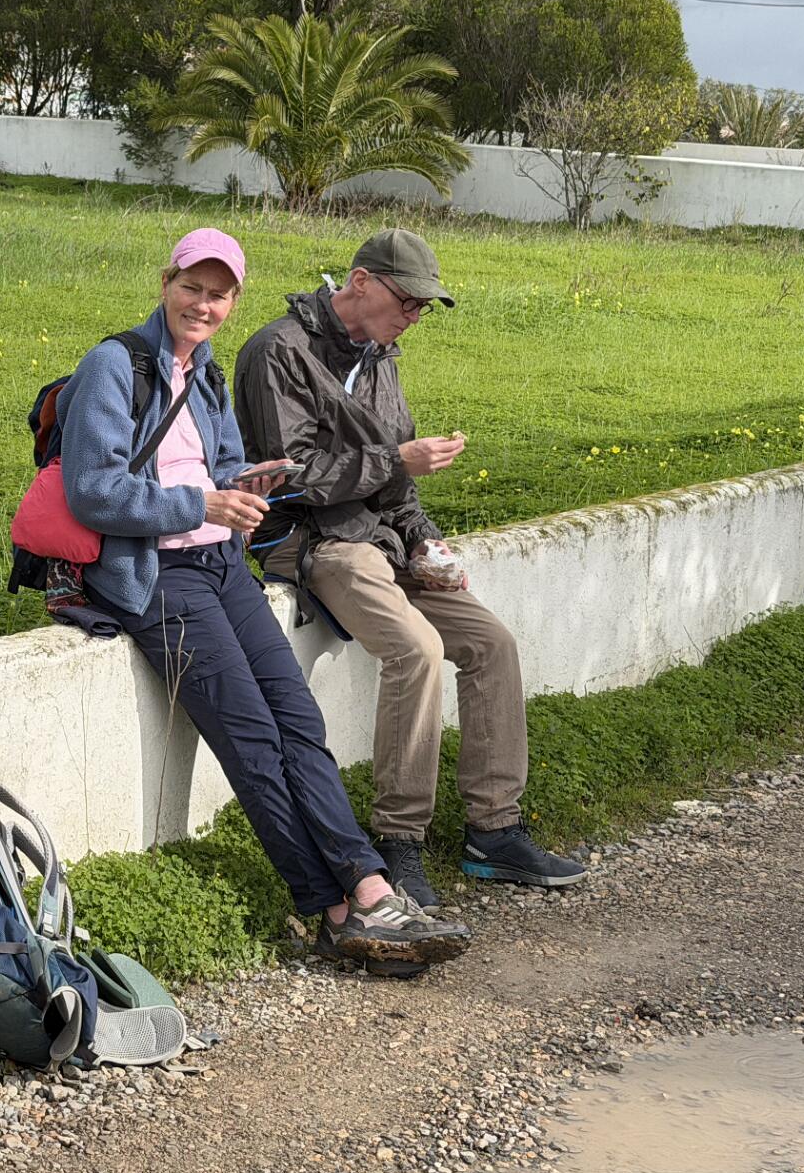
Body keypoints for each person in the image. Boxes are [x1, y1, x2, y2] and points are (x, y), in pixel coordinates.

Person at [56, 228, 472, 969]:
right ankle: (336, 908)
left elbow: (221, 467)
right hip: (157, 575)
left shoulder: (206, 373)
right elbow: (93, 491)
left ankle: (368, 888)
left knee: (297, 722)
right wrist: (203, 504)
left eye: (218, 295)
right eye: (192, 287)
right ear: (166, 283)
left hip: (220, 564)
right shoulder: (114, 366)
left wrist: (251, 483)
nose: (203, 305)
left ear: (233, 301)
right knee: (251, 738)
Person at [232, 228, 587, 913]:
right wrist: (397, 460)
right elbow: (289, 477)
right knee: (417, 649)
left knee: (491, 642)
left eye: (424, 307)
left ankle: (494, 831)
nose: (415, 317)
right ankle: (399, 841)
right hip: (312, 540)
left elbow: (398, 486)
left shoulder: (381, 356)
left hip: (382, 541)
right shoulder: (279, 350)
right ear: (361, 281)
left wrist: (426, 543)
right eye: (408, 301)